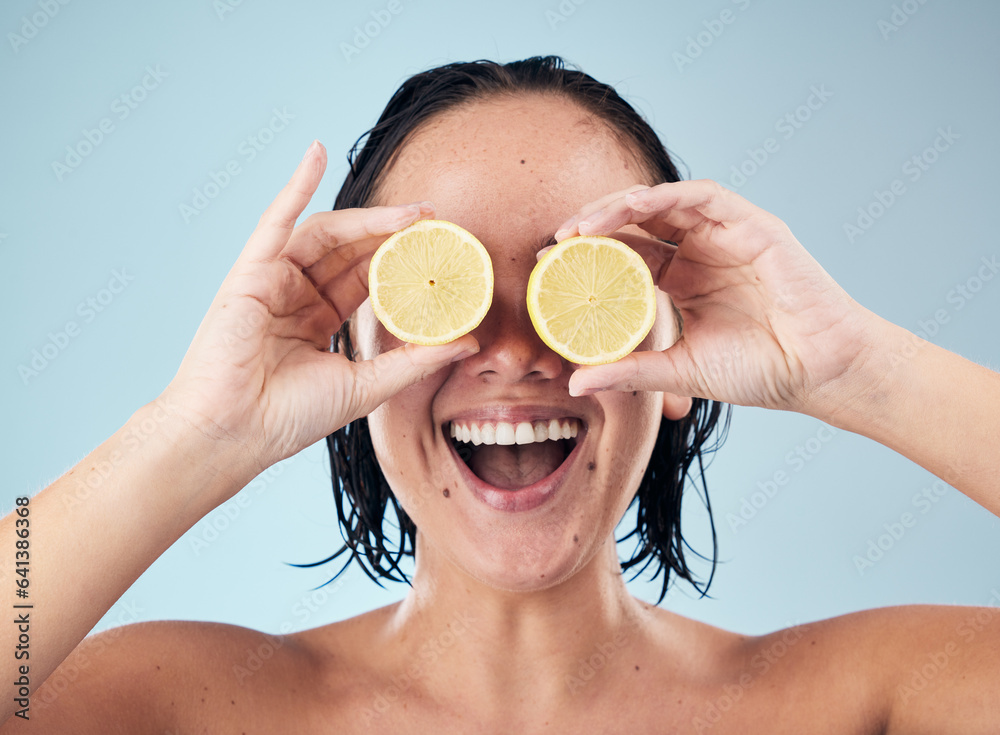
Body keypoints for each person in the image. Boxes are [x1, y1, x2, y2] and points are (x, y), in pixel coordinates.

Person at [2, 56, 998, 732]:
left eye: (580, 292)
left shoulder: (868, 700)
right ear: (343, 356)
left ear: (681, 356)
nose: (516, 353)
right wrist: (193, 434)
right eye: (447, 292)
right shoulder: (191, 706)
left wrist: (859, 369)